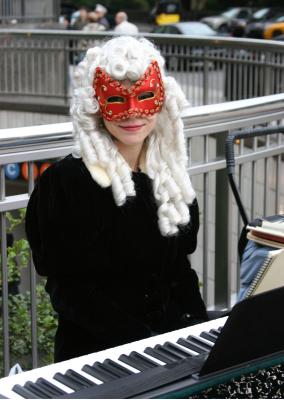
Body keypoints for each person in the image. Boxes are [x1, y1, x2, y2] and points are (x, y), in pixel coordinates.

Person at [25, 36, 208, 363]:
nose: (132, 112)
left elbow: (180, 271)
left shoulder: (168, 177)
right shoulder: (65, 183)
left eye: (145, 95)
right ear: (95, 104)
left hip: (173, 353)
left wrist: (196, 336)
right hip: (99, 361)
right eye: (116, 99)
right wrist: (142, 345)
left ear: (162, 99)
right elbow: (70, 291)